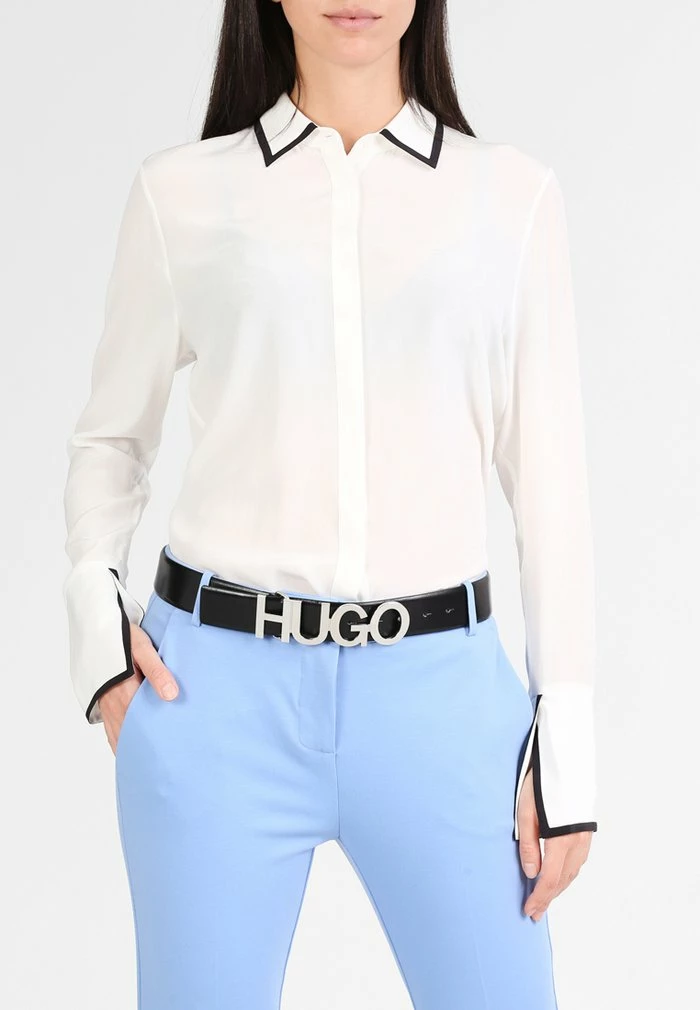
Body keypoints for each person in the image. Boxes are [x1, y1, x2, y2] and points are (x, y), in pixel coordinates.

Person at [61, 1, 599, 1007]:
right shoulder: (182, 195)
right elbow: (111, 439)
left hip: (443, 702)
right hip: (211, 697)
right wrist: (99, 632)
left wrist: (566, 742)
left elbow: (552, 487)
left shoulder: (511, 199)